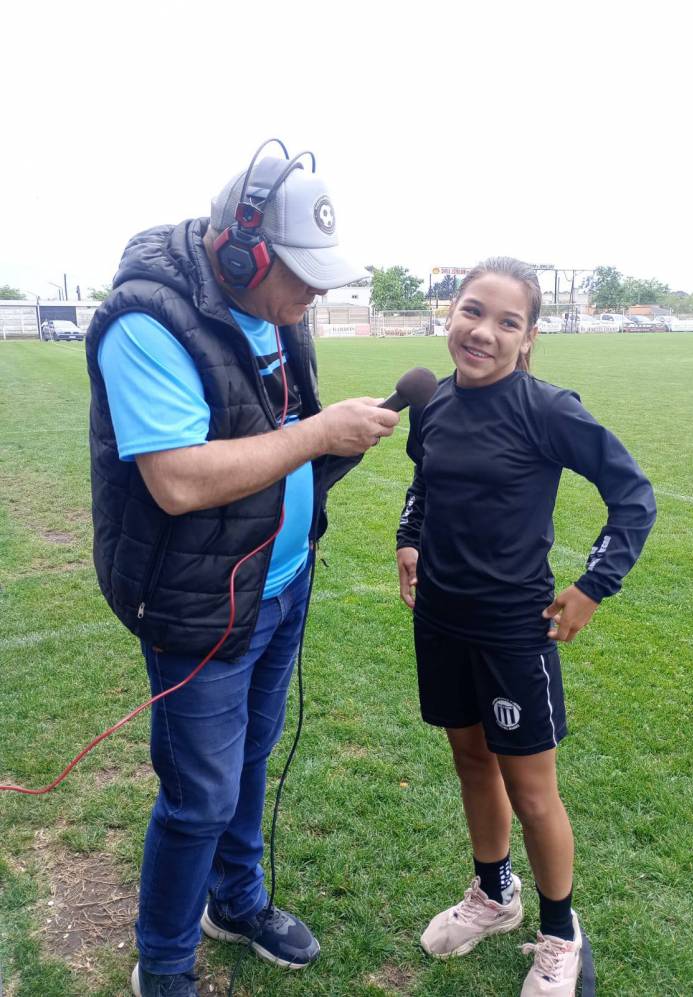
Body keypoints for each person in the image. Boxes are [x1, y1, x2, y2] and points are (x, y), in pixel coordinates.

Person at [85, 140, 399, 997]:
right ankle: (166, 965)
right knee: (197, 798)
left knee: (252, 758)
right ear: (241, 249)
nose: (313, 294)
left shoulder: (276, 308)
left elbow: (274, 426)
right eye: (299, 274)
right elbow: (179, 480)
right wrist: (318, 434)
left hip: (279, 580)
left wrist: (328, 447)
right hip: (200, 603)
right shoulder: (146, 320)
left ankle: (238, 900)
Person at [395, 257, 656, 996]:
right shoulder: (436, 403)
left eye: (507, 321)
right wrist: (407, 538)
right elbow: (424, 483)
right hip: (441, 621)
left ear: (529, 336)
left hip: (515, 631)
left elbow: (632, 495)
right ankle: (493, 894)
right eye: (473, 311)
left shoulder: (547, 409)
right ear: (451, 313)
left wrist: (592, 587)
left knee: (532, 788)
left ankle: (561, 934)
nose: (484, 331)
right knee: (471, 759)